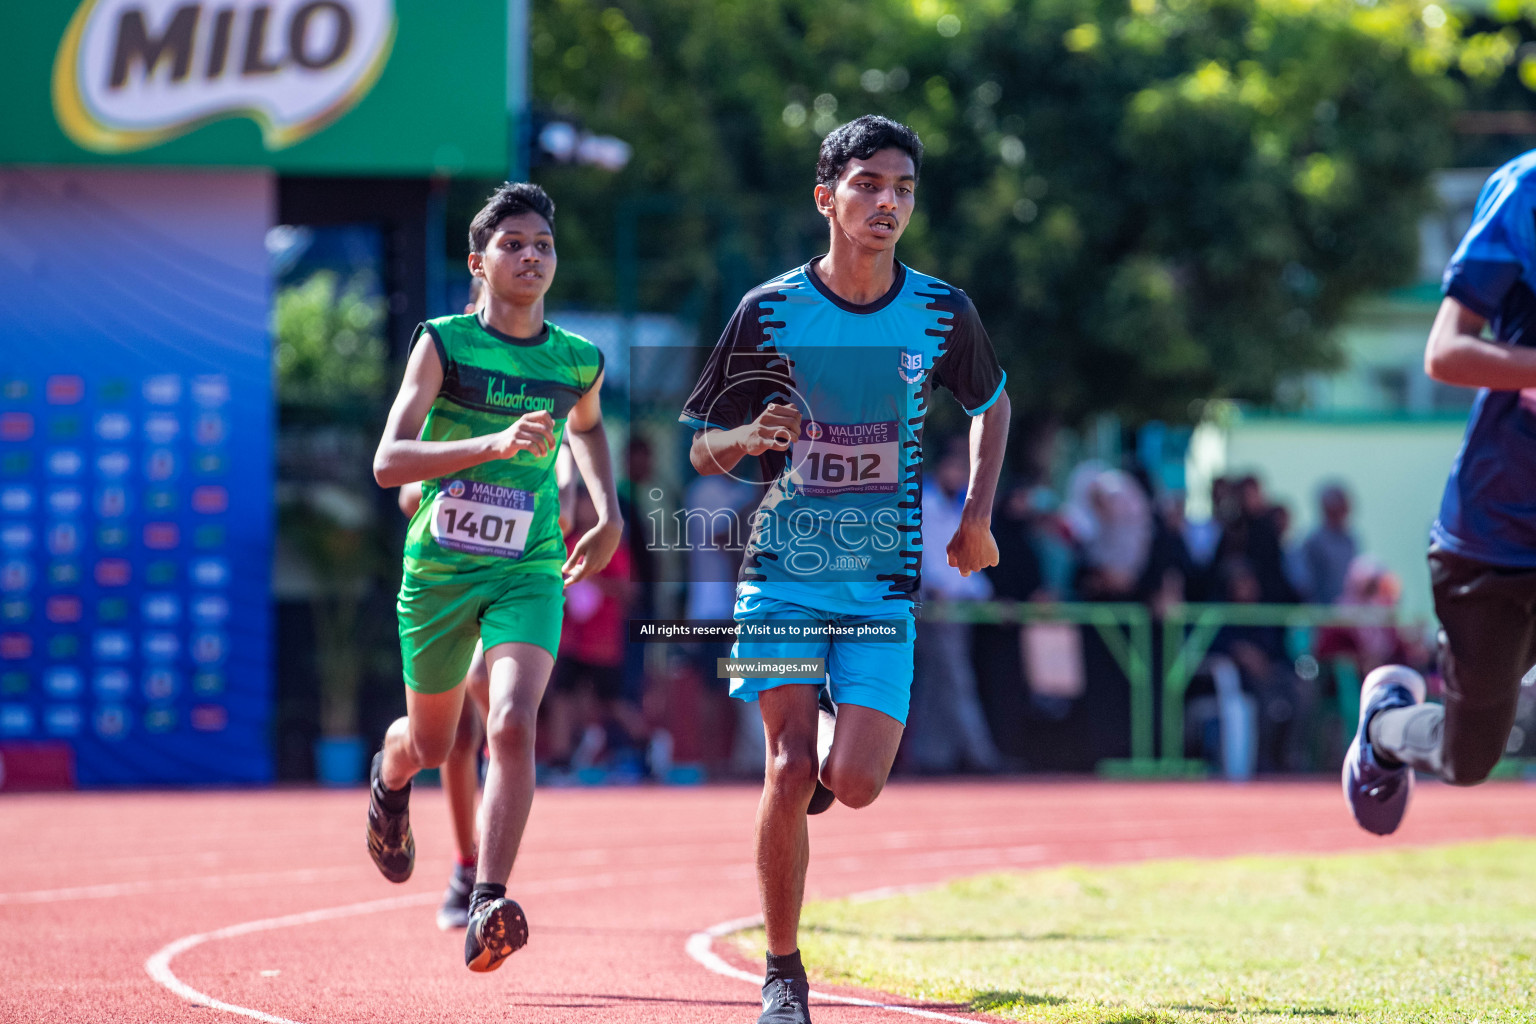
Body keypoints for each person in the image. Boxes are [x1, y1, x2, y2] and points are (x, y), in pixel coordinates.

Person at [678, 115, 1009, 1024]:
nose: (887, 203)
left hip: (883, 582)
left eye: (902, 188)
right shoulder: (769, 309)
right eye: (867, 185)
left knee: (852, 784)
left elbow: (992, 401)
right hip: (782, 569)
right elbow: (705, 449)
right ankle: (784, 974)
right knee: (789, 768)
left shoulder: (942, 312)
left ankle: (829, 741)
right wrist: (751, 435)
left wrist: (977, 513)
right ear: (826, 197)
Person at [367, 182, 621, 971]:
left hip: (529, 569)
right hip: (441, 572)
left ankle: (487, 899)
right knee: (434, 740)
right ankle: (388, 770)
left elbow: (588, 429)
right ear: (479, 262)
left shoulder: (578, 359)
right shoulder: (442, 344)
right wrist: (492, 445)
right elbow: (388, 463)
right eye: (513, 244)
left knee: (511, 722)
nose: (531, 256)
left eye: (543, 244)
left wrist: (608, 512)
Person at [1344, 151, 1536, 835]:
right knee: (1470, 755)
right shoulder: (1526, 190)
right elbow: (1445, 352)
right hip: (1498, 530)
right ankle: (1389, 726)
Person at [1297, 482, 1357, 604]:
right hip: (1321, 613)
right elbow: (1304, 582)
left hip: (1347, 614)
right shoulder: (1313, 541)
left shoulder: (1350, 540)